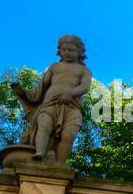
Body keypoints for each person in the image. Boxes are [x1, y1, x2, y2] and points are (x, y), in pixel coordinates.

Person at [11, 34, 92, 164]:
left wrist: (71, 93)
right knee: (44, 126)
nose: (67, 53)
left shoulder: (84, 70)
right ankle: (39, 153)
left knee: (69, 134)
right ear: (59, 51)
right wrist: (23, 93)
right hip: (49, 104)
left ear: (79, 52)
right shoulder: (54, 67)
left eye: (71, 50)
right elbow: (41, 87)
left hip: (72, 106)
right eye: (63, 50)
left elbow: (85, 86)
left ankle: (59, 165)